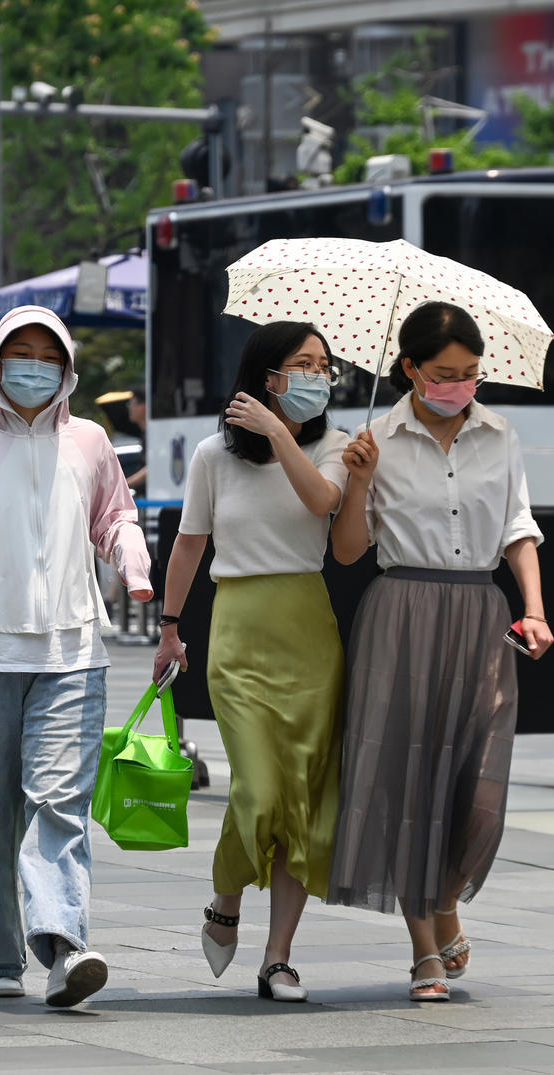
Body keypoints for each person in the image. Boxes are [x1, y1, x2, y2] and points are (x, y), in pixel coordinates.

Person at [0, 306, 152, 1008]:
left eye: (49, 353)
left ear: (67, 367)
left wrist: (131, 561)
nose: (34, 364)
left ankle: (65, 946)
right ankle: (0, 954)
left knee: (58, 805)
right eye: (20, 351)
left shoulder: (90, 442)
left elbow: (115, 515)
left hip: (73, 651)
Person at [327, 301, 554, 1003]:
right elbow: (345, 550)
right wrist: (358, 478)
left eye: (470, 374)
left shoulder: (500, 434)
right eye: (444, 374)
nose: (459, 385)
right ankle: (424, 948)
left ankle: (445, 899)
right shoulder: (374, 438)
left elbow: (518, 526)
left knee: (477, 783)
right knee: (408, 782)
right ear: (409, 370)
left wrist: (534, 608)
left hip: (480, 611)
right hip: (402, 612)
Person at [152, 321, 349, 1004]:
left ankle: (279, 958)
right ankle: (225, 896)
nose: (318, 375)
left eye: (324, 365)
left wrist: (280, 434)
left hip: (309, 631)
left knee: (301, 799)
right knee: (257, 790)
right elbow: (188, 545)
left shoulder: (336, 447)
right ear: (267, 375)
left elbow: (323, 503)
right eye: (303, 363)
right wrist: (170, 626)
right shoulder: (213, 454)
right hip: (238, 628)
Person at [125, 386, 148, 494]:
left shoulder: (154, 435)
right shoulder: (145, 434)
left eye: (131, 404)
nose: (129, 408)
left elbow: (152, 468)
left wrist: (125, 484)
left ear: (143, 406)